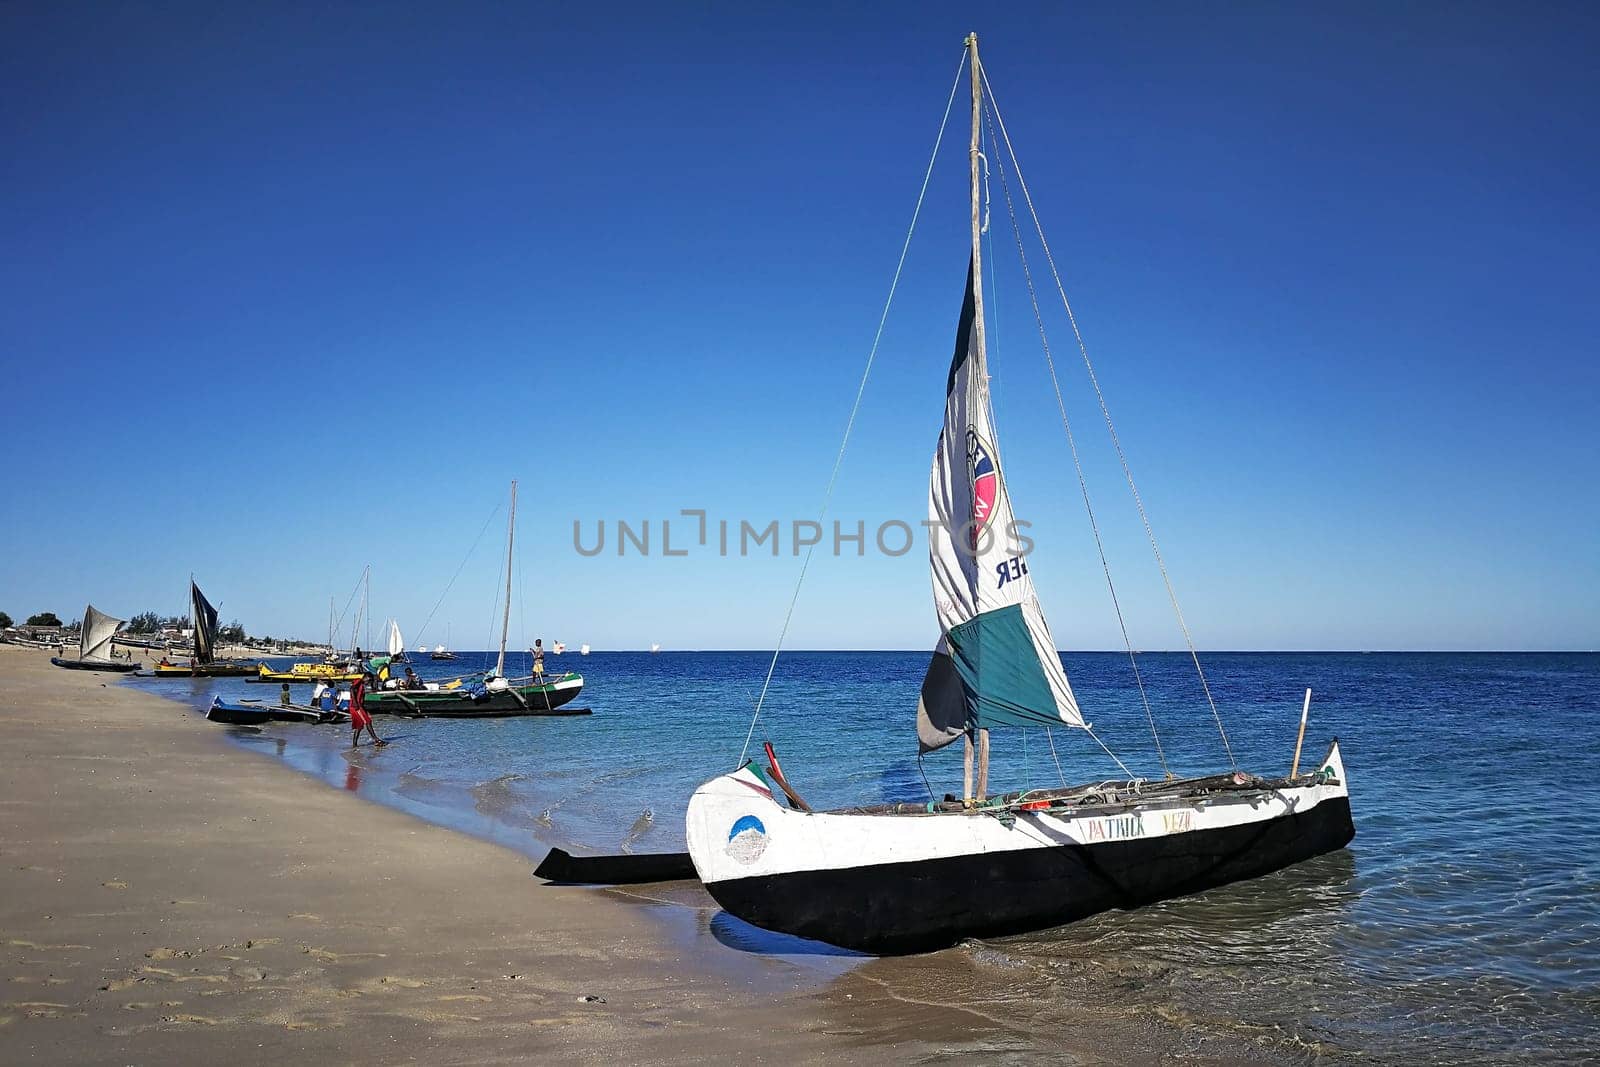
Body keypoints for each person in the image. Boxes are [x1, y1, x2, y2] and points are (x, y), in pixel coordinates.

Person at [348, 676, 385, 748]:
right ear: (367, 678)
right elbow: (352, 688)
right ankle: (376, 740)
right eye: (369, 681)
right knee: (368, 721)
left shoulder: (361, 684)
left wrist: (365, 710)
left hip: (358, 706)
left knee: (359, 726)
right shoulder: (359, 682)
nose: (368, 683)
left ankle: (354, 745)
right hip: (356, 707)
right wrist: (355, 702)